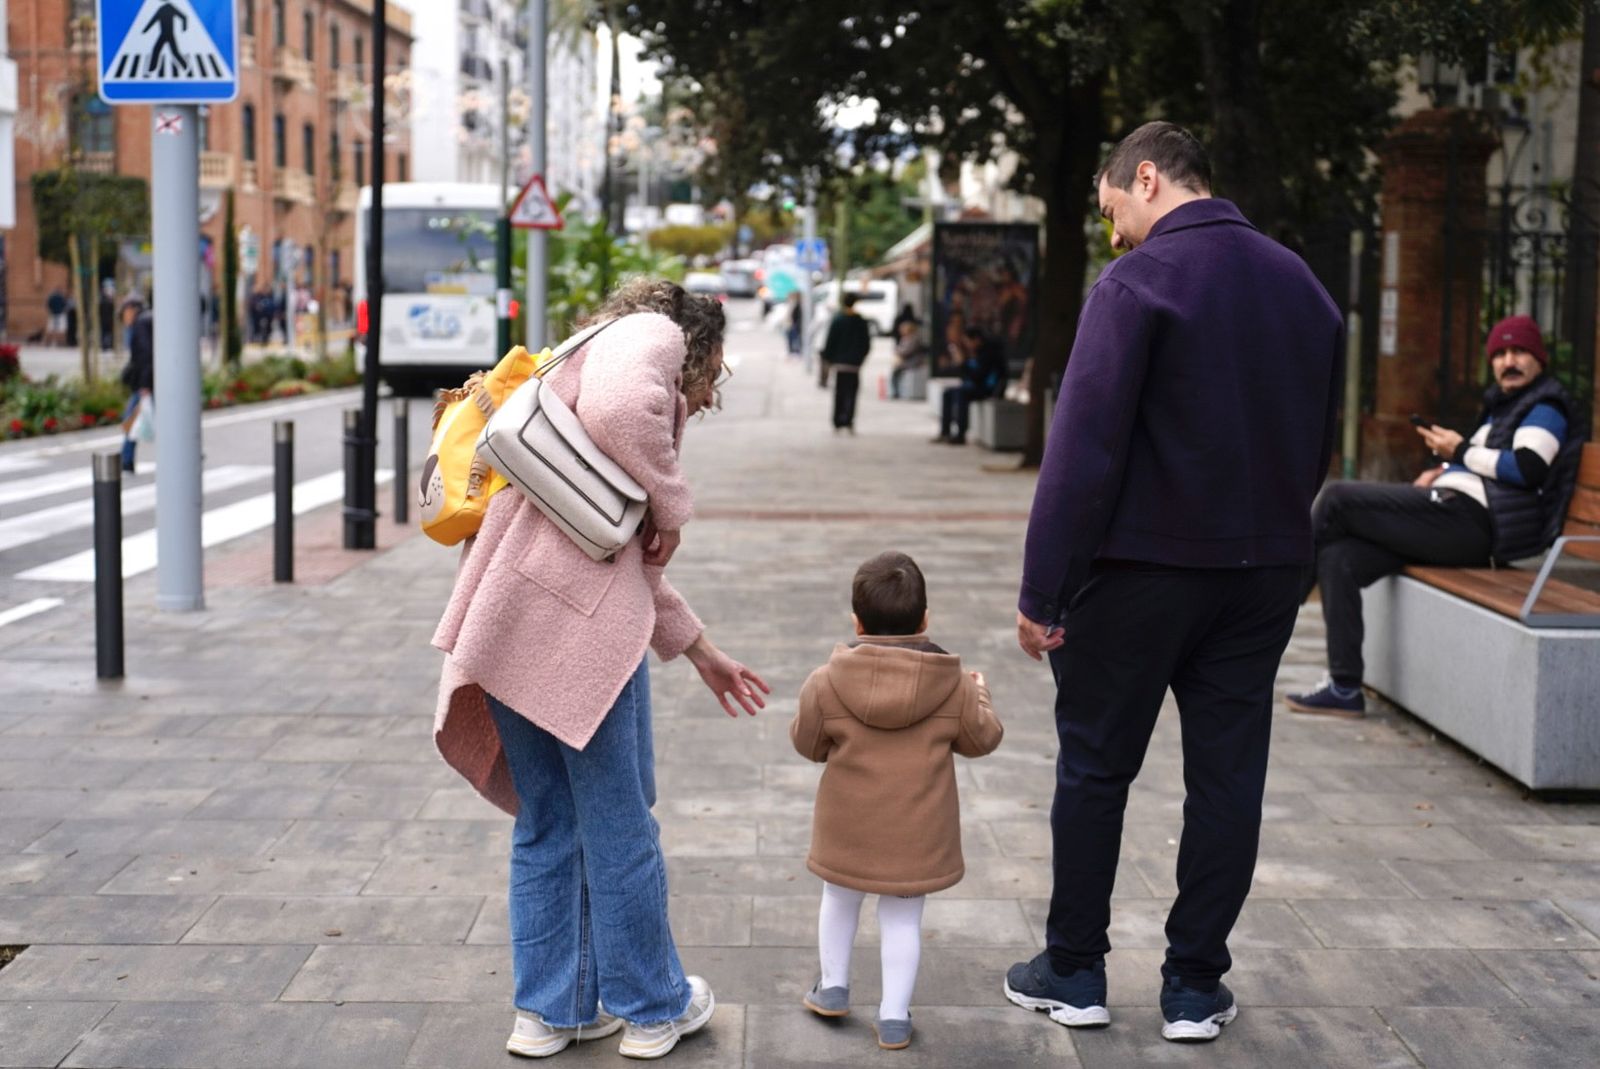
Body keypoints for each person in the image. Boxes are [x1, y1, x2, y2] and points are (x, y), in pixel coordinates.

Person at [1007, 121, 1341, 1044]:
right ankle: (1195, 984)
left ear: (1146, 178)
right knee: (1229, 777)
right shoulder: (1303, 285)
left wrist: (1043, 591)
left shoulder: (1138, 281)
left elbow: (1082, 452)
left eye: (1112, 207)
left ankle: (1074, 967)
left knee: (1096, 765)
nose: (1112, 231)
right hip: (1263, 569)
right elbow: (1319, 440)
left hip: (1143, 571)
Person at [431, 278, 769, 1061]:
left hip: (510, 622)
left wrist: (701, 651)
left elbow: (619, 553)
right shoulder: (652, 334)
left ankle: (552, 1012)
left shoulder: (579, 354)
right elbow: (627, 426)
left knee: (549, 822)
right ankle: (653, 1007)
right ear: (701, 341)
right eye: (713, 372)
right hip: (575, 635)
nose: (707, 389)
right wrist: (673, 508)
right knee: (620, 824)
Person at [1287, 313, 1575, 718]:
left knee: (1337, 500)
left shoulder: (1545, 406)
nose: (1509, 360)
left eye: (1520, 352)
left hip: (1475, 525)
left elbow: (1527, 468)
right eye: (1501, 353)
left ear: (1539, 360)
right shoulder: (1504, 408)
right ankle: (1345, 686)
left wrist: (1457, 452)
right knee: (1340, 557)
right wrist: (1444, 470)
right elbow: (1486, 463)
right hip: (1456, 516)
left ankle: (1274, 610)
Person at [791, 551, 1003, 1051]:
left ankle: (834, 987)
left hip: (847, 827)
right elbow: (983, 740)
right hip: (917, 832)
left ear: (857, 622)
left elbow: (807, 744)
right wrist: (982, 696)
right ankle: (892, 1017)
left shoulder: (826, 682)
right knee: (903, 919)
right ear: (925, 619)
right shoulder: (952, 686)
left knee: (839, 898)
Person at [931, 326, 1005, 445]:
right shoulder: (977, 352)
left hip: (989, 389)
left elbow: (979, 377)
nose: (967, 345)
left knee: (961, 394)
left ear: (976, 339)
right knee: (948, 393)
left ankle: (960, 434)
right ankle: (945, 432)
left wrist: (962, 363)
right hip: (977, 386)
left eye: (968, 342)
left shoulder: (989, 354)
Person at [821, 292, 872, 433]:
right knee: (852, 393)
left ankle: (838, 421)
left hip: (840, 364)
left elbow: (830, 341)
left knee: (839, 392)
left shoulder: (838, 320)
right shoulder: (860, 321)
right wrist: (860, 358)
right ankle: (848, 420)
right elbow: (866, 343)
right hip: (854, 365)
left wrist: (829, 358)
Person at [119, 296, 155, 473]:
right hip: (155, 381)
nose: (123, 318)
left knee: (131, 420)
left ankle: (126, 459)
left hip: (146, 383)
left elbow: (145, 356)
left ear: (132, 309)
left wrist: (145, 384)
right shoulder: (148, 320)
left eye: (124, 312)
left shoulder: (140, 324)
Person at [890, 320, 927, 400]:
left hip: (913, 361)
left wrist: (898, 351)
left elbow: (906, 351)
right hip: (908, 360)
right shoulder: (906, 338)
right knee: (895, 369)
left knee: (896, 371)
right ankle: (896, 390)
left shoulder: (913, 338)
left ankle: (896, 392)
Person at [786, 291, 804, 357]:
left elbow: (796, 316)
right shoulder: (795, 304)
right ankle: (793, 350)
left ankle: (795, 350)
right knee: (791, 336)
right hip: (795, 324)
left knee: (794, 337)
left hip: (797, 325)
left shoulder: (799, 304)